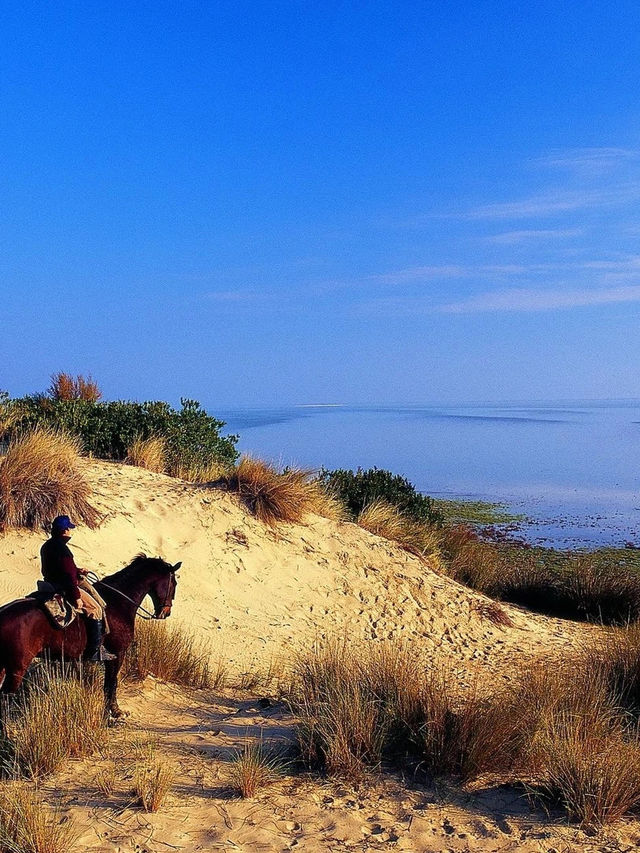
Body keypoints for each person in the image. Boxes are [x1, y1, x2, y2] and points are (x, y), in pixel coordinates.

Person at [40, 515, 116, 662]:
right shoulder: (62, 549)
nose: (71, 532)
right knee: (96, 610)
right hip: (64, 586)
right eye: (69, 529)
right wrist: (76, 596)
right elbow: (67, 575)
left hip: (51, 582)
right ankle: (94, 651)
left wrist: (78, 570)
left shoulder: (47, 545)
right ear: (65, 530)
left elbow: (62, 568)